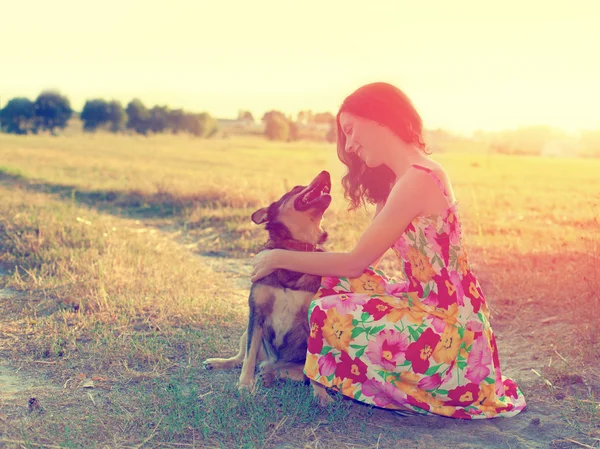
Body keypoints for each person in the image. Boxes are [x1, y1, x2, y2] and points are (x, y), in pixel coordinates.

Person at [250, 82, 526, 419]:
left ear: (379, 119)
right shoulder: (400, 181)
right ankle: (305, 365)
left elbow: (355, 262)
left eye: (351, 131)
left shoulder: (420, 178)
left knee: (327, 310)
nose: (349, 144)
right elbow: (361, 264)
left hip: (450, 327)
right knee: (328, 286)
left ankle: (312, 370)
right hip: (421, 301)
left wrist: (277, 257)